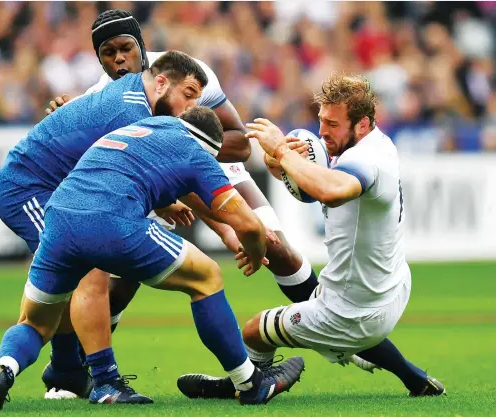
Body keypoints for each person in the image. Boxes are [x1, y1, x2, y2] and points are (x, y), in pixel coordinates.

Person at [43, 9, 319, 400]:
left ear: (141, 46)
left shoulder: (189, 74)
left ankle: (336, 326)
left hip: (212, 166)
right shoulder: (99, 100)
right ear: (98, 58)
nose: (119, 59)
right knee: (113, 284)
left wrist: (188, 151)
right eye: (107, 53)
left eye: (125, 48)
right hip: (150, 184)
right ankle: (78, 371)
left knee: (275, 247)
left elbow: (239, 140)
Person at [0, 107, 305, 412]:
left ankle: (4, 370)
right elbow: (248, 224)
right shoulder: (199, 155)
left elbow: (134, 171)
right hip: (111, 221)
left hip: (58, 217)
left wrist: (164, 201)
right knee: (206, 277)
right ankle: (250, 383)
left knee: (34, 322)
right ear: (212, 149)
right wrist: (256, 250)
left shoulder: (147, 125)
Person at [176, 74, 446, 399]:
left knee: (252, 333)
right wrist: (281, 165)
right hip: (390, 288)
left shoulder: (366, 159)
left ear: (361, 124)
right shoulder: (374, 144)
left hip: (352, 310)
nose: (322, 131)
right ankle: (412, 377)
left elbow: (331, 190)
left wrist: (281, 150)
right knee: (309, 291)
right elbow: (317, 185)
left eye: (332, 124)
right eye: (321, 120)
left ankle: (248, 385)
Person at [0, 50, 209, 401]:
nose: (188, 109)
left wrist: (164, 201)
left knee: (74, 276)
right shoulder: (133, 111)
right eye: (188, 95)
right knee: (87, 271)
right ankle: (102, 380)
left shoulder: (132, 97)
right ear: (162, 81)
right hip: (28, 187)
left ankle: (65, 370)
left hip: (62, 190)